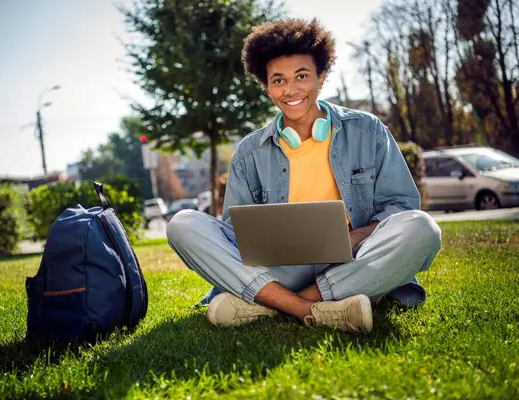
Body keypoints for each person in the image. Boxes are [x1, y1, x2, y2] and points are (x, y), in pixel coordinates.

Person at [166, 18, 442, 334]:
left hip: (352, 259)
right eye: (279, 80)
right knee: (182, 224)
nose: (291, 90)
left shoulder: (368, 131)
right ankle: (313, 309)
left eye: (301, 76)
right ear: (266, 86)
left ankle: (274, 304)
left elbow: (400, 206)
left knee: (423, 229)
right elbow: (235, 232)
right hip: (281, 266)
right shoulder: (249, 151)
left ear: (321, 78)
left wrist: (353, 237)